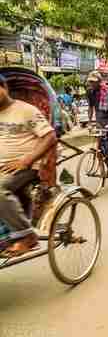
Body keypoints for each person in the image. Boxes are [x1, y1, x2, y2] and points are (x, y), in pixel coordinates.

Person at [0, 73, 57, 258]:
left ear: (4, 88)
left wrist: (27, 160)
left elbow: (49, 137)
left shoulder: (26, 110)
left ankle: (26, 235)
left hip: (25, 168)